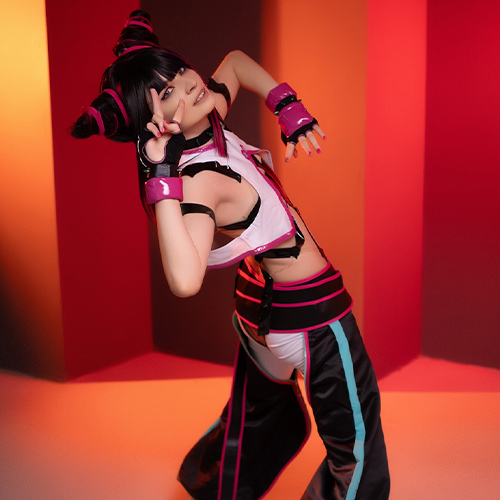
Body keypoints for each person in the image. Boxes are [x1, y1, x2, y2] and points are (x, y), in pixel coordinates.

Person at [71, 10, 390, 500]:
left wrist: (287, 107)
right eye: (167, 93)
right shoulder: (198, 183)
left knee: (259, 417)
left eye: (177, 72)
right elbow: (184, 278)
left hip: (258, 310)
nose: (187, 85)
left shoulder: (208, 111)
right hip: (312, 319)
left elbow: (237, 63)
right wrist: (160, 177)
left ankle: (218, 488)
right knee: (358, 449)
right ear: (151, 122)